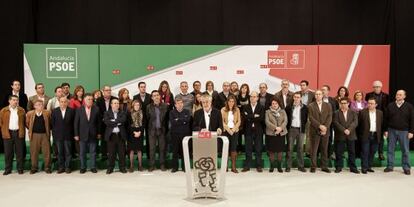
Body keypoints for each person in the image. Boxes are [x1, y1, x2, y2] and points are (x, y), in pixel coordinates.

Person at [384, 90, 414, 175]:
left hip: (404, 131)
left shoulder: (409, 106)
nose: (398, 96)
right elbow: (386, 119)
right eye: (397, 94)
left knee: (405, 150)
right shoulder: (390, 105)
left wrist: (411, 131)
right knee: (390, 149)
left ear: (404, 96)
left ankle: (406, 167)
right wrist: (385, 130)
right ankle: (390, 166)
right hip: (391, 130)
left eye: (400, 95)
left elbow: (412, 119)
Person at [74, 93, 101, 174]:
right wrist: (76, 134)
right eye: (88, 99)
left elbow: (99, 122)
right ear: (84, 100)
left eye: (91, 99)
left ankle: (93, 167)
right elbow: (76, 123)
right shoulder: (79, 109)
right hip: (82, 134)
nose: (90, 101)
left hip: (93, 134)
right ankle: (83, 167)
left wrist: (99, 133)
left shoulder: (96, 109)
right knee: (82, 152)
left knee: (93, 152)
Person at [0, 95, 26, 175]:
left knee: (19, 152)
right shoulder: (3, 110)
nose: (16, 101)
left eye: (17, 100)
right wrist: (4, 130)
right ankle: (8, 169)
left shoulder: (21, 110)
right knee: (8, 153)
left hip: (19, 132)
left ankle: (20, 169)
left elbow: (25, 122)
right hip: (8, 133)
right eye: (14, 100)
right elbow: (1, 122)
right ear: (9, 101)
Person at [308, 90, 332, 173]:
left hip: (325, 131)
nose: (318, 95)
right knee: (314, 150)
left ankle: (324, 166)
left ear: (322, 95)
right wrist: (320, 126)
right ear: (315, 96)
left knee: (324, 149)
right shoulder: (311, 105)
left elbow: (329, 117)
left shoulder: (328, 105)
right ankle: (313, 166)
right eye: (316, 94)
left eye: (319, 94)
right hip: (314, 130)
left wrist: (325, 127)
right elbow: (311, 118)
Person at [333, 97, 359, 174]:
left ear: (348, 103)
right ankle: (338, 167)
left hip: (351, 135)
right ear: (340, 104)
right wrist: (344, 130)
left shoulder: (353, 112)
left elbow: (355, 122)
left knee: (352, 152)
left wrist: (349, 129)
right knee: (339, 152)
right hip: (340, 135)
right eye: (342, 103)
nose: (343, 105)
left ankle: (353, 167)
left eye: (345, 103)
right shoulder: (336, 113)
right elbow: (336, 123)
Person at [365, 80, 389, 161]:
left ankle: (380, 153)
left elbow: (387, 108)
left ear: (381, 87)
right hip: (371, 116)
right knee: (371, 136)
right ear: (373, 87)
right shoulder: (368, 95)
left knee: (381, 137)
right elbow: (366, 106)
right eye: (375, 87)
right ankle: (370, 153)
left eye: (378, 86)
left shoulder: (386, 96)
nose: (376, 88)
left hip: (382, 117)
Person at [26, 99, 52, 174]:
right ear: (34, 106)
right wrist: (31, 130)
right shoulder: (30, 113)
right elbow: (27, 123)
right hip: (34, 135)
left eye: (40, 105)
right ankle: (34, 167)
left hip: (44, 134)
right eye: (37, 105)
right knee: (34, 152)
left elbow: (50, 123)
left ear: (43, 106)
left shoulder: (47, 113)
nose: (39, 106)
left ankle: (47, 167)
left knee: (47, 152)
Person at [241, 91, 265, 172]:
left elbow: (261, 118)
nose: (252, 98)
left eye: (254, 96)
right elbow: (245, 116)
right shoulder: (245, 107)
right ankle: (247, 166)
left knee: (258, 148)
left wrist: (250, 117)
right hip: (248, 130)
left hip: (258, 131)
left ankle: (259, 166)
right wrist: (254, 116)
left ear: (257, 98)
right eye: (251, 96)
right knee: (248, 148)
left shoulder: (261, 107)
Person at [358, 97, 383, 174]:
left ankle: (369, 166)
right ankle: (364, 167)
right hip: (366, 135)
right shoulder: (362, 112)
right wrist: (360, 135)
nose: (369, 105)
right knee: (365, 151)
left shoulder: (380, 113)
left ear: (376, 105)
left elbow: (381, 124)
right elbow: (359, 125)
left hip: (375, 135)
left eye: (372, 103)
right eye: (368, 103)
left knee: (372, 151)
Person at [51, 96, 75, 174]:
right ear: (59, 102)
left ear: (67, 102)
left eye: (65, 102)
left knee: (68, 152)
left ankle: (68, 167)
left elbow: (74, 124)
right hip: (58, 136)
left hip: (68, 135)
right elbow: (53, 124)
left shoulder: (72, 111)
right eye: (61, 102)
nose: (63, 103)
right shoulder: (55, 111)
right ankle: (61, 167)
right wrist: (54, 135)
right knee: (60, 153)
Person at [285, 92, 308, 172]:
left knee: (300, 148)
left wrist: (304, 127)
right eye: (295, 97)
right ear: (293, 98)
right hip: (291, 129)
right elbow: (286, 118)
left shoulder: (305, 108)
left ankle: (301, 166)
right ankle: (288, 166)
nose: (296, 98)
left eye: (298, 97)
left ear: (301, 98)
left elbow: (306, 119)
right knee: (289, 148)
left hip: (301, 130)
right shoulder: (289, 107)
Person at [104, 98, 128, 174]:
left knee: (122, 153)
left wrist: (113, 121)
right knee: (111, 153)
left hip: (120, 135)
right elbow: (107, 122)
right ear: (111, 105)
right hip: (111, 136)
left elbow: (123, 120)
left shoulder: (123, 112)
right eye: (114, 103)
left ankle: (122, 167)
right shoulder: (107, 113)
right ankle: (110, 168)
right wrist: (117, 122)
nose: (116, 104)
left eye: (117, 103)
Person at [147, 90, 169, 172]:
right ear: (152, 98)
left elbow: (167, 119)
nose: (156, 97)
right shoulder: (148, 107)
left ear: (160, 96)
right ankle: (152, 165)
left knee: (162, 148)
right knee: (152, 149)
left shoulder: (165, 106)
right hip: (152, 131)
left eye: (157, 95)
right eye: (154, 95)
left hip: (162, 130)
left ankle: (162, 165)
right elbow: (147, 119)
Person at [265, 98, 288, 173]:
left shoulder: (283, 111)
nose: (274, 105)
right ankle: (272, 166)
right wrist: (275, 128)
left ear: (278, 104)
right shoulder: (268, 112)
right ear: (271, 105)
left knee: (280, 151)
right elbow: (267, 122)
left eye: (276, 103)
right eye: (273, 104)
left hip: (281, 133)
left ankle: (279, 166)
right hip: (271, 134)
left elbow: (285, 121)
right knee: (271, 150)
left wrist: (280, 128)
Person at [169, 97, 192, 173]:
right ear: (175, 105)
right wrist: (182, 120)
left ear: (183, 104)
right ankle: (174, 167)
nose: (180, 104)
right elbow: (173, 122)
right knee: (175, 151)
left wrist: (178, 119)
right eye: (178, 103)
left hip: (185, 134)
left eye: (181, 103)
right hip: (175, 134)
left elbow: (187, 120)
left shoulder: (187, 111)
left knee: (184, 151)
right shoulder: (172, 112)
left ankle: (184, 167)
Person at [221, 95, 241, 173]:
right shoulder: (223, 109)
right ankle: (225, 167)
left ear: (234, 102)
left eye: (233, 101)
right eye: (230, 101)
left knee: (233, 149)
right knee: (225, 148)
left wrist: (234, 129)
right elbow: (221, 121)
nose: (231, 103)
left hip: (234, 131)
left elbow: (239, 121)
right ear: (227, 102)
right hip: (226, 131)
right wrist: (228, 129)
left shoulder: (237, 110)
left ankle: (233, 167)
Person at [96, 85, 116, 160]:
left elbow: (116, 110)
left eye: (109, 90)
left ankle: (112, 155)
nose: (108, 92)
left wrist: (110, 119)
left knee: (113, 139)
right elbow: (98, 112)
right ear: (103, 91)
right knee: (104, 140)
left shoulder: (115, 99)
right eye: (107, 90)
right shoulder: (99, 100)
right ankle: (104, 155)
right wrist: (104, 119)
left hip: (112, 122)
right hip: (102, 123)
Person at [133, 81, 152, 159]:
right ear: (139, 88)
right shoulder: (135, 97)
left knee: (148, 138)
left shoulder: (150, 96)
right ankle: (138, 155)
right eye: (141, 87)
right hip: (138, 121)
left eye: (144, 86)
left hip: (148, 120)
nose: (143, 88)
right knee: (139, 138)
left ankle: (148, 154)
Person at [127, 100, 145, 172]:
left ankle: (140, 165)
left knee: (139, 150)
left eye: (138, 105)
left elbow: (144, 123)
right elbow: (128, 124)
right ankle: (131, 166)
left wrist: (140, 132)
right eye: (135, 105)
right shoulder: (129, 113)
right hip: (131, 133)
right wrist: (134, 132)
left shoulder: (142, 113)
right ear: (133, 106)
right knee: (131, 150)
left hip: (140, 131)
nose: (137, 106)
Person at [321, 85, 337, 160]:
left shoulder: (333, 100)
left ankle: (329, 154)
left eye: (324, 90)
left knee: (329, 139)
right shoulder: (317, 99)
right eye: (322, 90)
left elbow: (335, 112)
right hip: (320, 124)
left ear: (328, 91)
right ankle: (319, 155)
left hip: (330, 123)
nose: (322, 91)